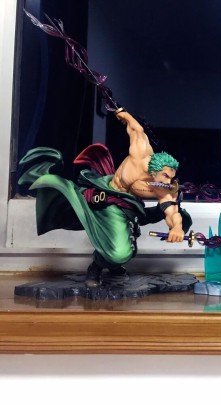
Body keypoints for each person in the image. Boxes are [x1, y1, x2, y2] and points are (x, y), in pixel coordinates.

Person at [19, 108, 191, 287]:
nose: (168, 181)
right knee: (120, 252)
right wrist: (124, 115)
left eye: (171, 177)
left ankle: (112, 265)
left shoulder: (162, 188)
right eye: (165, 176)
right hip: (108, 197)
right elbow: (137, 130)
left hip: (130, 206)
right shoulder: (141, 154)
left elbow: (171, 211)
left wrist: (177, 227)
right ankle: (96, 267)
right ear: (154, 169)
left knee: (130, 247)